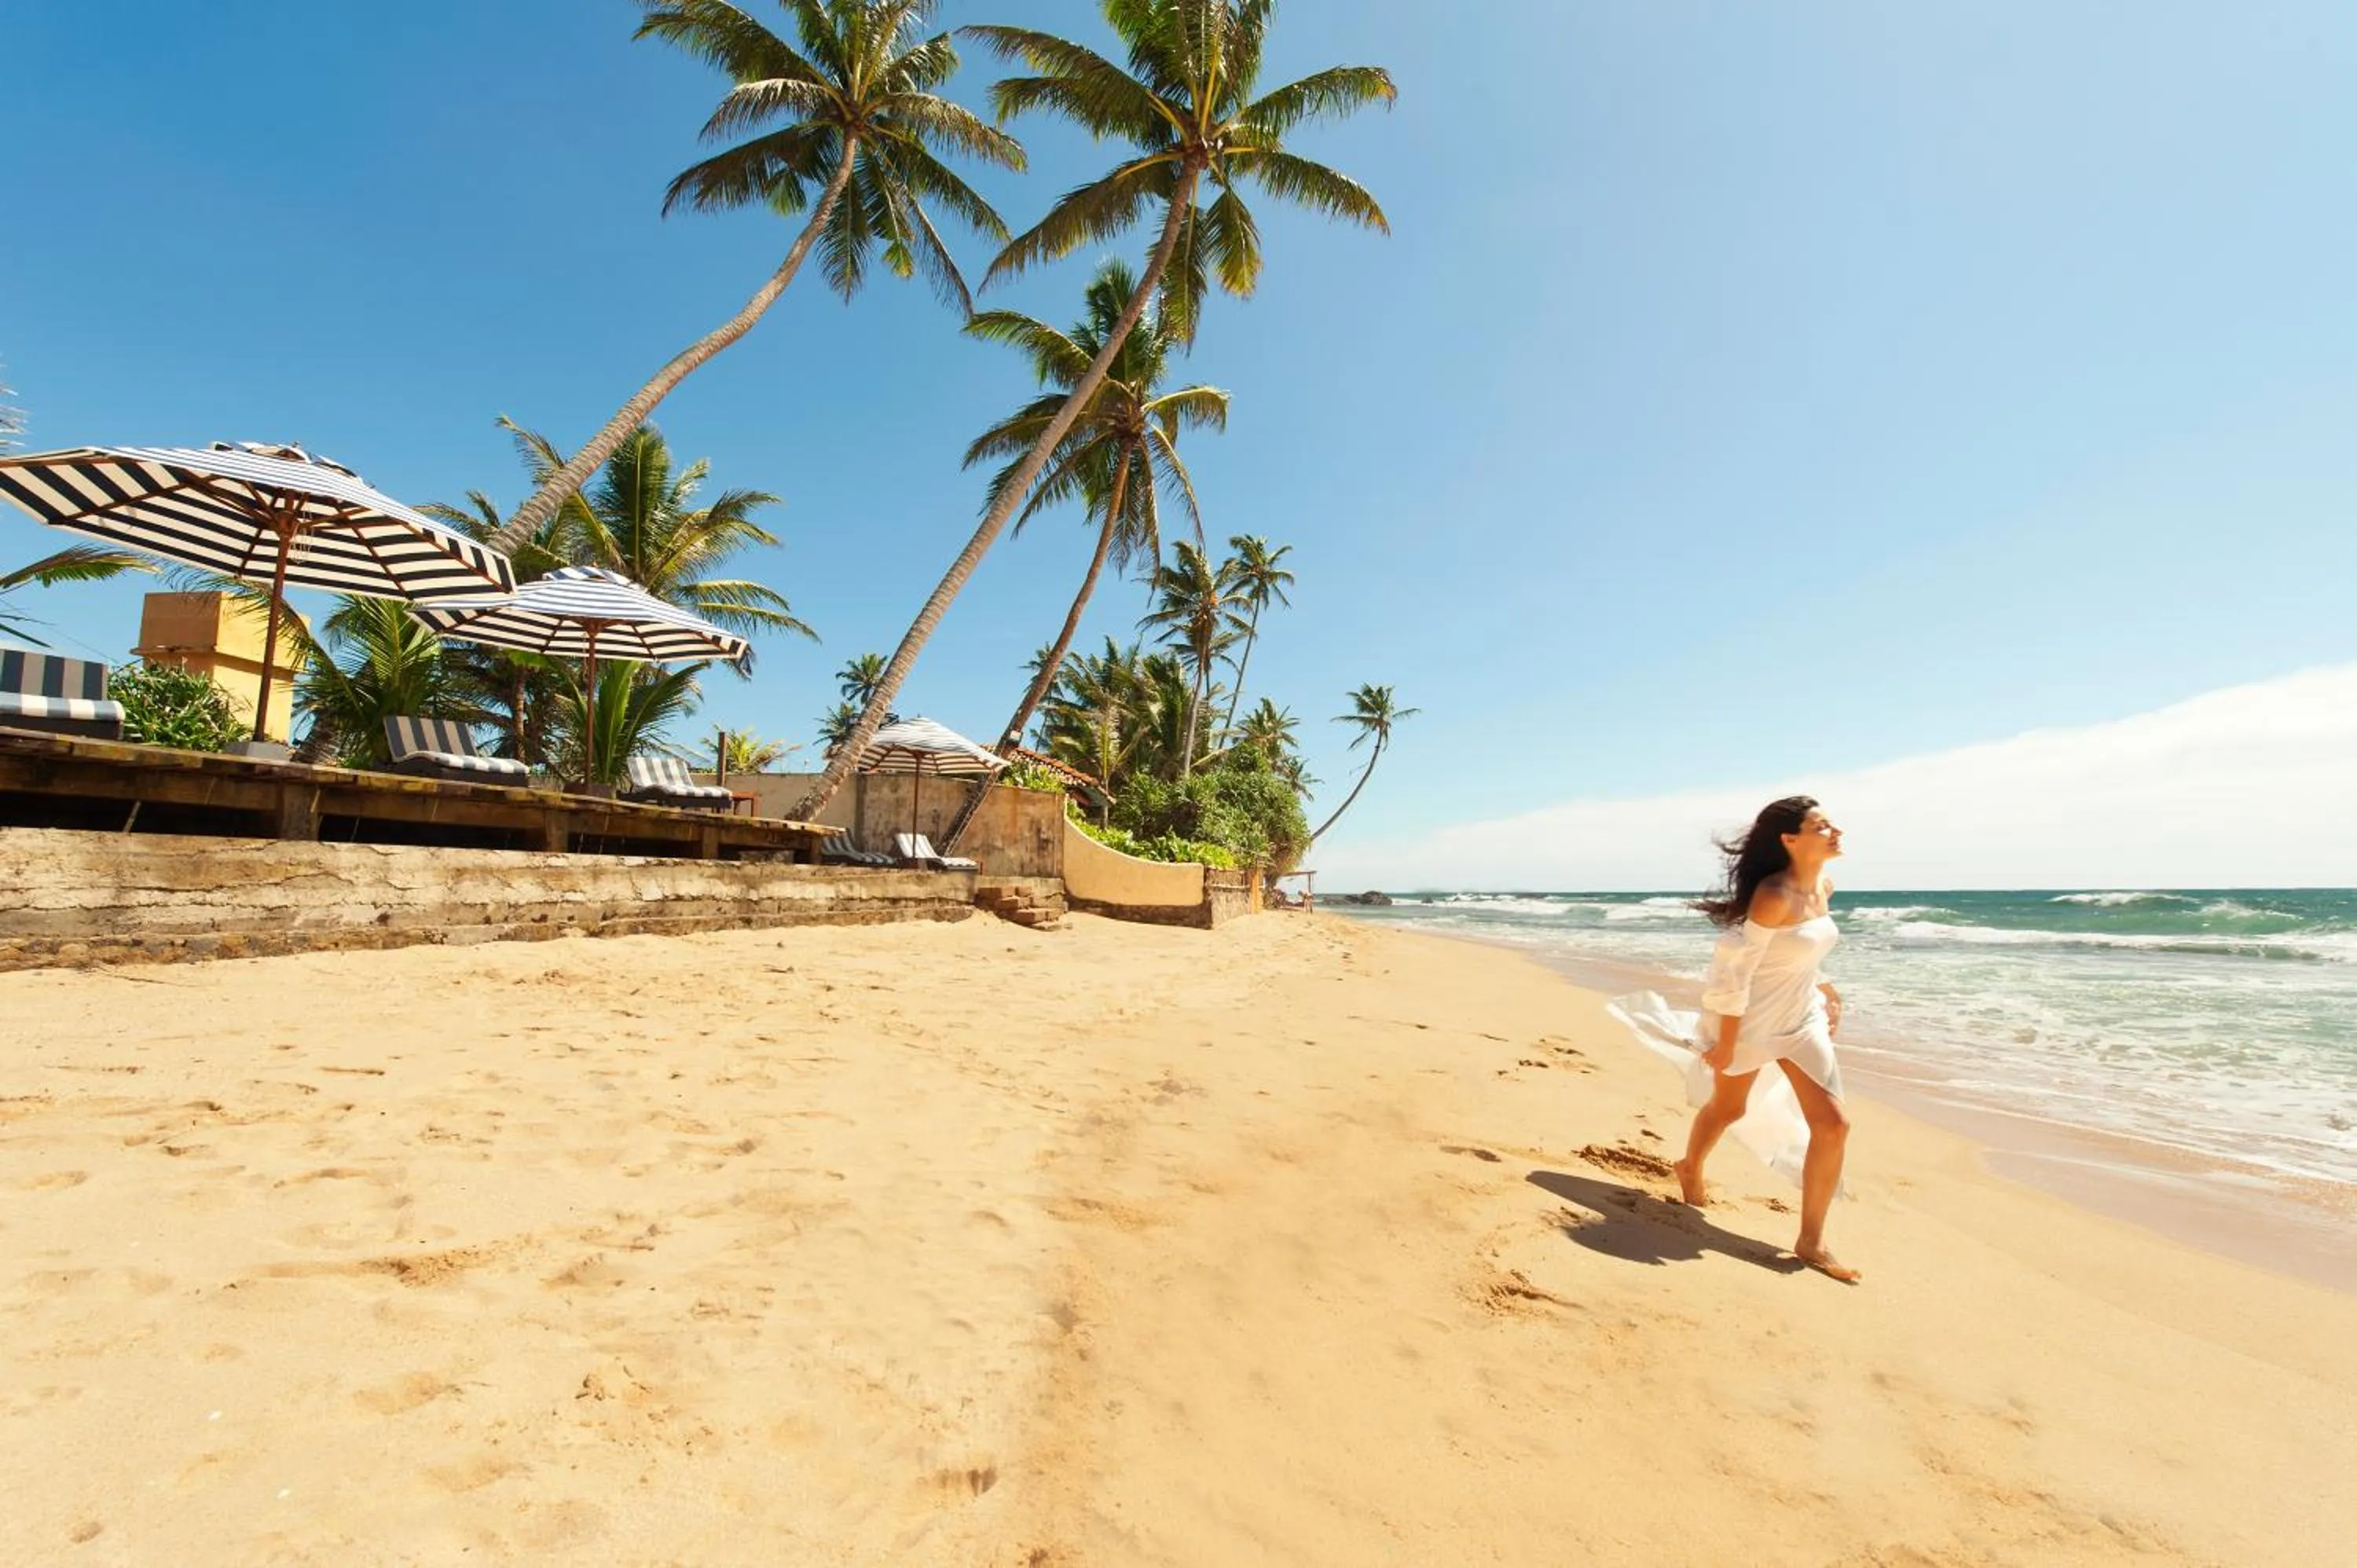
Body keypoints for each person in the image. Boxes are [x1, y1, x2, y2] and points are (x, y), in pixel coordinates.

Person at [1607, 796, 1859, 1282]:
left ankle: (1811, 1240)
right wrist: (1724, 1040)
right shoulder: (1774, 894)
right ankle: (1690, 1167)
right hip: (1753, 1022)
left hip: (1802, 1018)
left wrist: (1829, 990)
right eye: (1822, 826)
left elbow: (1800, 951)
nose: (1836, 832)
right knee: (1729, 1108)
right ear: (1790, 840)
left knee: (1834, 1125)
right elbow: (1734, 971)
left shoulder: (1823, 886)